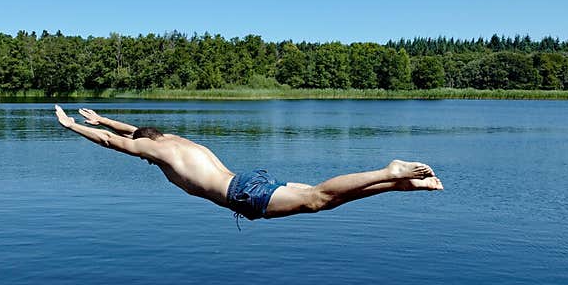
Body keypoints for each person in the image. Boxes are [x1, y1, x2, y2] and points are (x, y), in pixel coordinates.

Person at [55, 104, 442, 222]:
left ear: (144, 147)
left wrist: (72, 126)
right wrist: (103, 118)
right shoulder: (171, 140)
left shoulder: (158, 152)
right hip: (246, 180)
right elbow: (133, 130)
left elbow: (114, 141)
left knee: (320, 196)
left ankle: (390, 172)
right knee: (321, 199)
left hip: (240, 195)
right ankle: (399, 184)